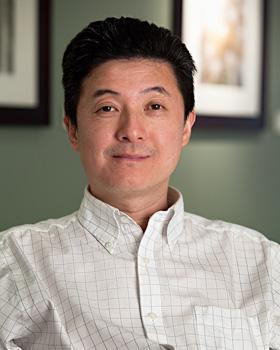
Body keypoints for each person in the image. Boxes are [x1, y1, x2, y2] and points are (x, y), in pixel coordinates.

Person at [0, 17, 279, 350]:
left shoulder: (263, 263)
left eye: (155, 106)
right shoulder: (15, 263)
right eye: (107, 107)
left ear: (186, 126)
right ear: (73, 128)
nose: (132, 129)